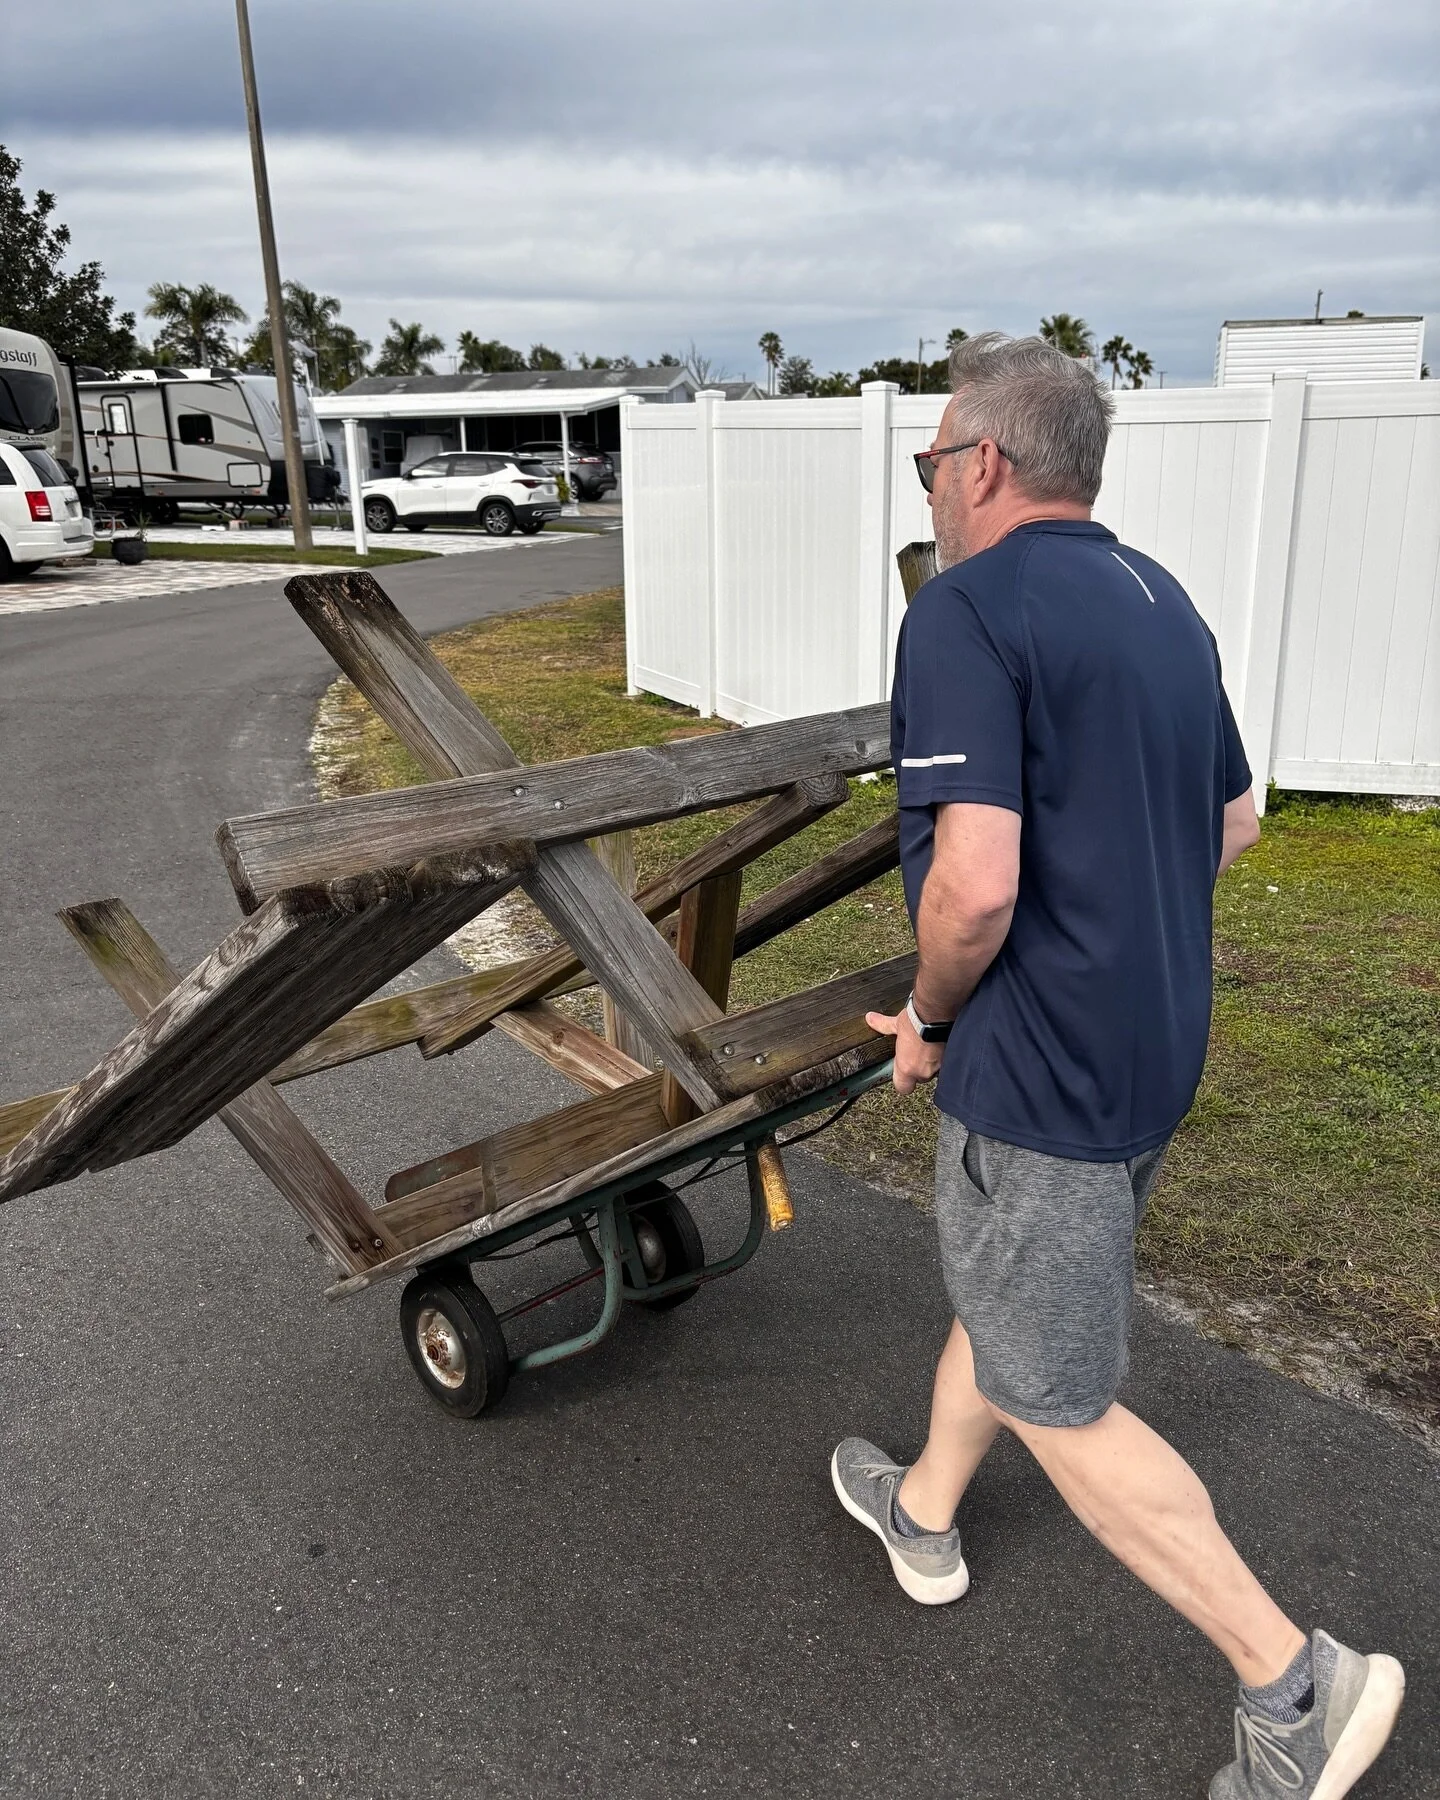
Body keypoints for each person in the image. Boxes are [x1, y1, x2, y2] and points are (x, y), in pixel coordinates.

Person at [832, 333, 1405, 1799]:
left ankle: (1294, 1690)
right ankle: (923, 1510)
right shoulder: (1163, 600)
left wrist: (937, 1021)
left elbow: (969, 891)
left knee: (1059, 1393)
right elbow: (1234, 824)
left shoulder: (962, 612)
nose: (934, 489)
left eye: (931, 462)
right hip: (1156, 1049)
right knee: (1015, 1294)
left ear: (984, 465)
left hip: (1042, 1074)